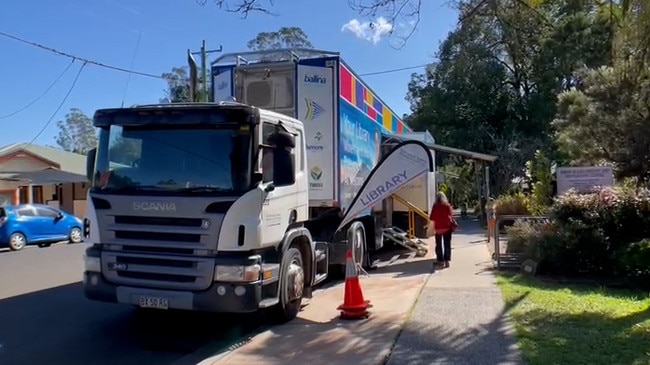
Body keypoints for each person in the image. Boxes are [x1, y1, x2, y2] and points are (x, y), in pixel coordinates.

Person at [429, 191, 454, 268]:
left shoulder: (435, 206)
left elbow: (431, 217)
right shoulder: (447, 205)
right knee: (447, 244)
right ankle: (447, 261)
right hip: (447, 227)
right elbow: (451, 214)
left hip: (438, 228)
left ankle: (440, 260)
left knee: (438, 244)